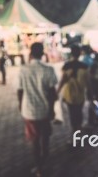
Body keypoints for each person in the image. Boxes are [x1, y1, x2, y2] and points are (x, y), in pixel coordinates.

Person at [17, 42, 58, 177]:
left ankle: (39, 168)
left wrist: (20, 105)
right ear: (42, 54)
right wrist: (52, 110)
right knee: (45, 138)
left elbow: (20, 91)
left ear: (30, 53)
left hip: (29, 111)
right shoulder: (48, 70)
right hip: (45, 110)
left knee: (34, 141)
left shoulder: (23, 70)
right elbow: (53, 93)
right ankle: (45, 159)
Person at [57, 45, 90, 137]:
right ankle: (78, 130)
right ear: (80, 54)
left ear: (71, 54)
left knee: (72, 114)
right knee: (79, 112)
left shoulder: (66, 66)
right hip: (80, 95)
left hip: (69, 95)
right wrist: (91, 93)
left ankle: (75, 132)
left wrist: (57, 91)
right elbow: (88, 82)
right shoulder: (84, 66)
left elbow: (63, 80)